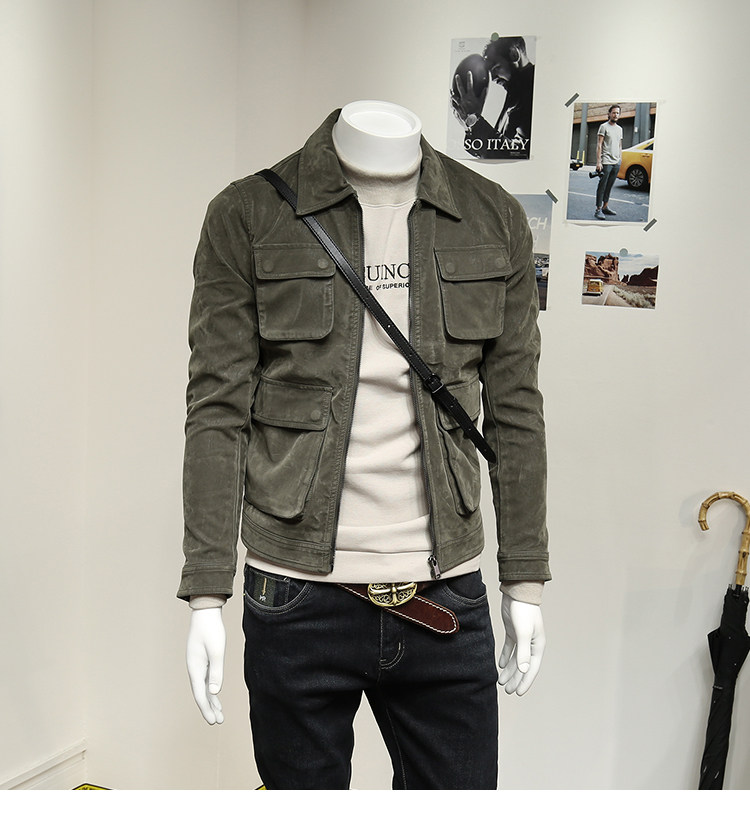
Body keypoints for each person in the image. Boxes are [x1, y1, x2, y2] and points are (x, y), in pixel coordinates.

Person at [180, 101, 550, 789]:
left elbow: (517, 411)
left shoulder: (491, 215)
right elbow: (216, 410)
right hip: (295, 593)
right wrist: (207, 589)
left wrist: (522, 577)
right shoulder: (249, 214)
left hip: (444, 592)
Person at [451, 36, 535, 159]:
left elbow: (518, 154)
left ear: (514, 54)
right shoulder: (517, 93)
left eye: (496, 68)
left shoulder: (531, 91)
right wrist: (470, 124)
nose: (494, 78)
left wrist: (475, 121)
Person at [594, 104, 623, 220]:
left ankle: (605, 207)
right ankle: (598, 209)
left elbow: (619, 145)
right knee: (602, 186)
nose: (616, 115)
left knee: (610, 186)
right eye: (614, 112)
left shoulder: (620, 129)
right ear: (609, 114)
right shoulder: (603, 127)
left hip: (616, 162)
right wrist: (599, 162)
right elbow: (599, 145)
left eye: (617, 113)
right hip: (606, 161)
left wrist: (620, 158)